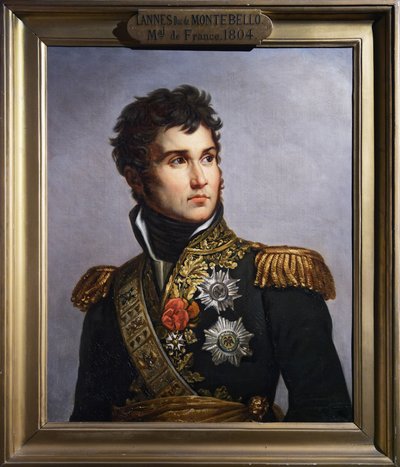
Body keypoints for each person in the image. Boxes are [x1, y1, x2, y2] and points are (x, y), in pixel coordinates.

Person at [70, 85, 351, 423]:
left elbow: (326, 422)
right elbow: (86, 430)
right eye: (178, 161)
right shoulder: (111, 293)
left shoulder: (276, 280)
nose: (200, 178)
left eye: (208, 158)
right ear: (136, 178)